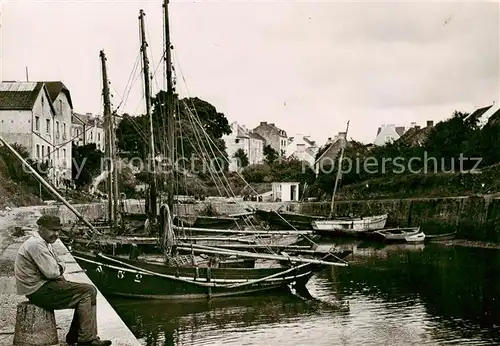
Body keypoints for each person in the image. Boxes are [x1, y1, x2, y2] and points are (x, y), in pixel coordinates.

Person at [14, 215, 112, 346]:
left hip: (40, 287)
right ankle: (87, 340)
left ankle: (76, 337)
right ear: (41, 228)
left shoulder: (43, 242)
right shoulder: (36, 245)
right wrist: (60, 266)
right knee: (88, 291)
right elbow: (53, 272)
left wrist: (59, 266)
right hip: (38, 291)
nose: (56, 234)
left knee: (85, 292)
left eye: (57, 230)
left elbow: (57, 265)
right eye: (52, 230)